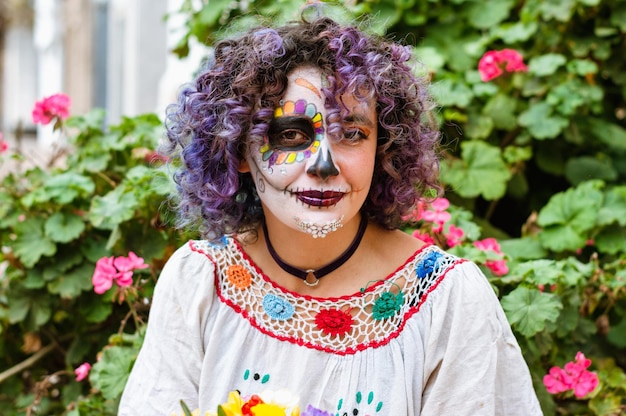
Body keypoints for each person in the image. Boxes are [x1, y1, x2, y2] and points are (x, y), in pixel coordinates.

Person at [119, 12, 542, 416]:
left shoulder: (446, 301)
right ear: (239, 150)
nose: (325, 165)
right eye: (290, 134)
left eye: (352, 134)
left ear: (384, 149)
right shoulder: (198, 283)